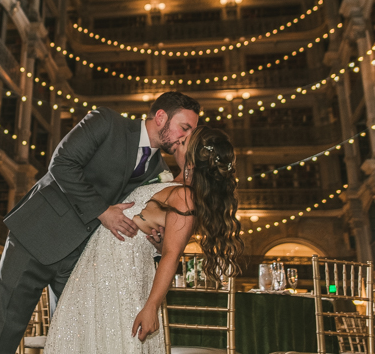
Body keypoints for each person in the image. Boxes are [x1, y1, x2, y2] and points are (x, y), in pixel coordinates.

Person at [0, 91, 201, 354]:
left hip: (83, 260)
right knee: (4, 328)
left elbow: (144, 214)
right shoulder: (107, 121)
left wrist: (156, 239)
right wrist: (102, 211)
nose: (186, 137)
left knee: (73, 338)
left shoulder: (158, 170)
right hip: (38, 236)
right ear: (161, 117)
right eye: (184, 128)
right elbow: (62, 164)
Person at [43, 126, 244, 354]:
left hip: (121, 279)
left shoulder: (186, 198)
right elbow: (157, 241)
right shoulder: (172, 184)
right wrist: (156, 244)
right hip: (99, 271)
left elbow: (172, 254)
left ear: (193, 158)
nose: (178, 140)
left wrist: (151, 307)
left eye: (185, 140)